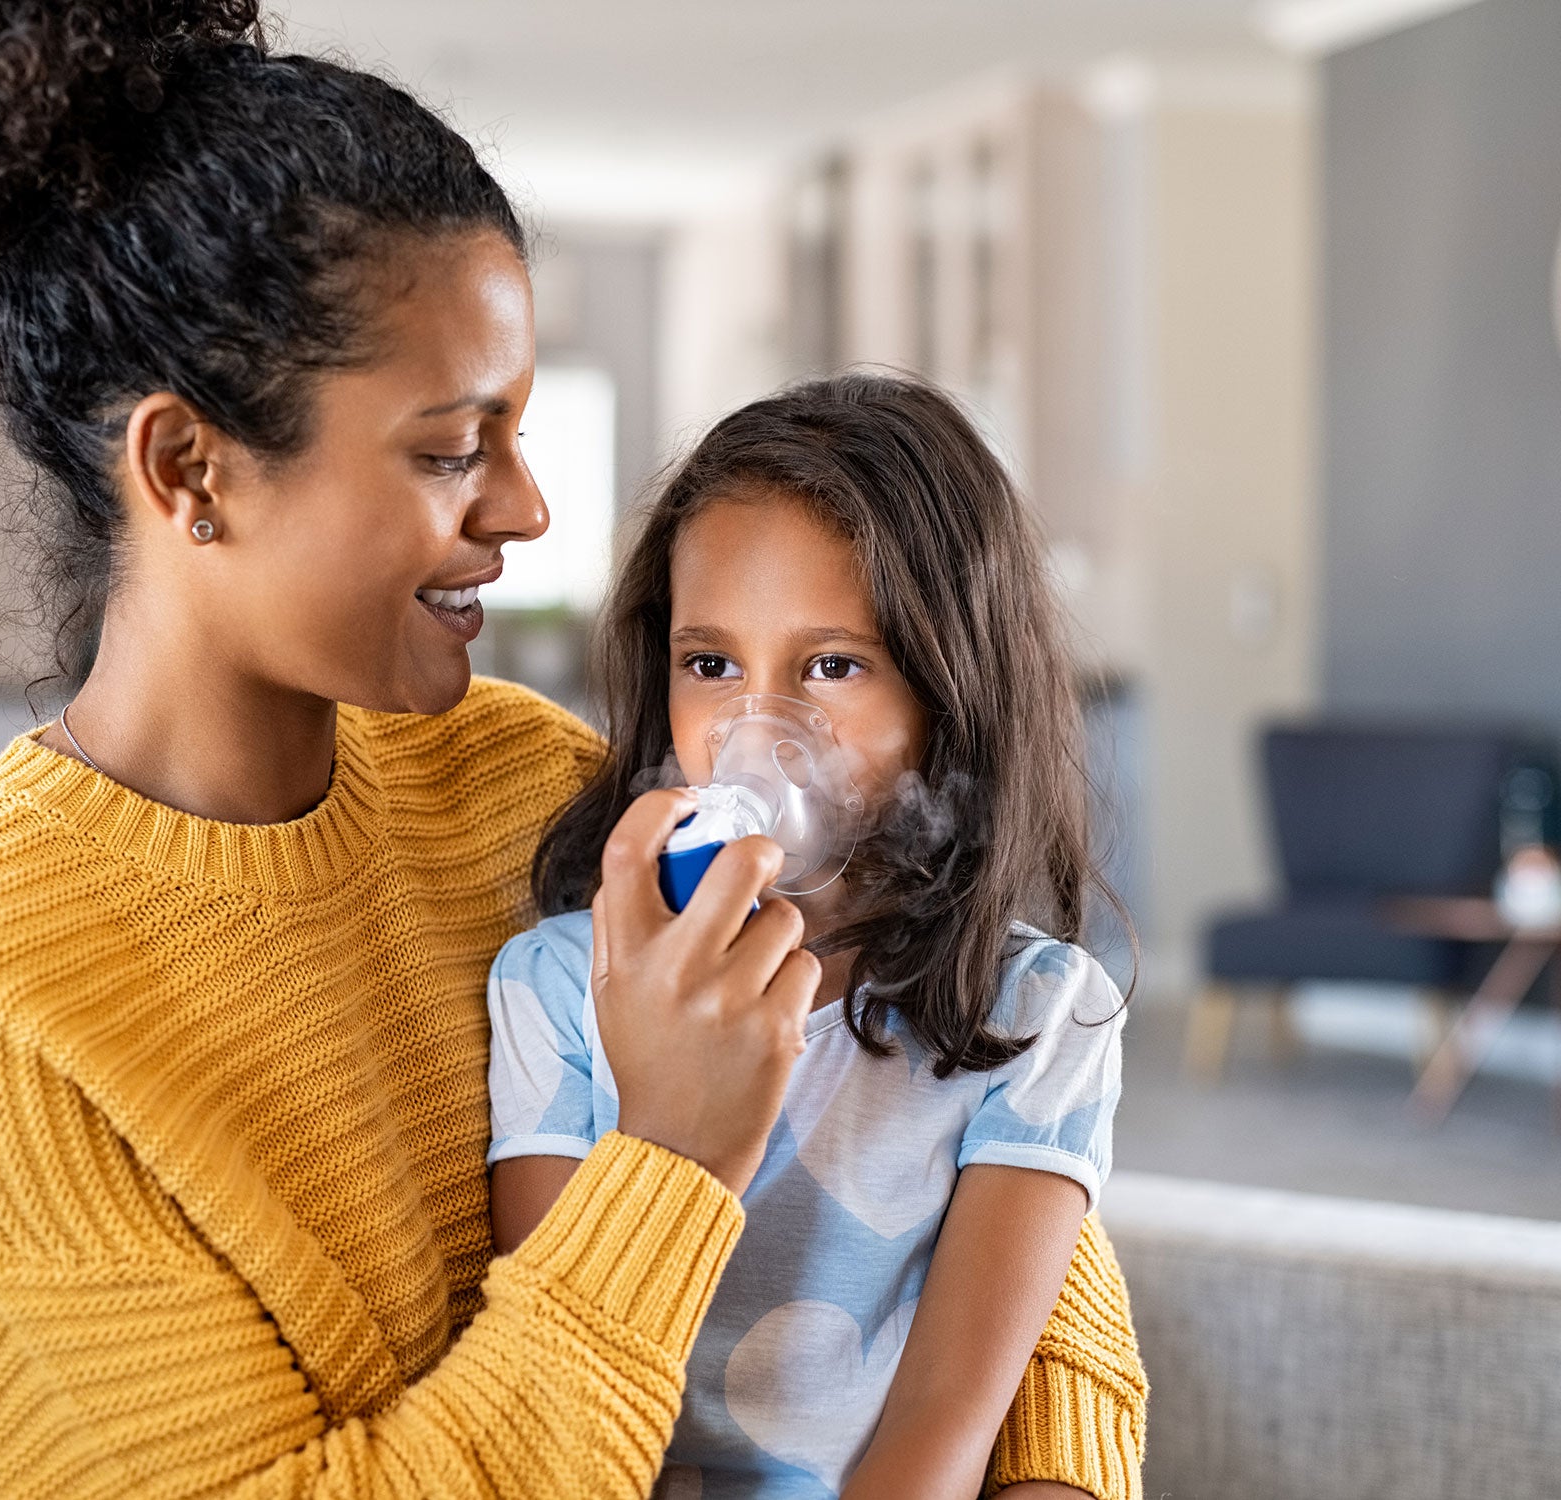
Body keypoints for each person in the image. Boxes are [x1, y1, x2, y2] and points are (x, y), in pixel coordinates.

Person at [0, 0, 1146, 1493]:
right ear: (191, 469)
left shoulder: (513, 782)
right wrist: (672, 1166)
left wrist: (1048, 1471)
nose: (526, 511)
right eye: (452, 448)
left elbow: (950, 1124)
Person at [489, 373, 1141, 1500]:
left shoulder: (1038, 1016)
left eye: (833, 666)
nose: (756, 727)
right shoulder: (559, 986)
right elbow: (561, 1386)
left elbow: (946, 1422)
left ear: (950, 691)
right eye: (711, 664)